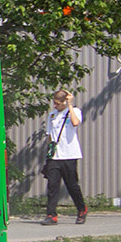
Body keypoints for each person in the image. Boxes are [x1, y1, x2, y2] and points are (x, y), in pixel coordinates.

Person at [43, 89, 87, 225]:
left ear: (64, 102)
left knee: (72, 185)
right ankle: (51, 215)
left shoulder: (74, 111)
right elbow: (49, 135)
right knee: (52, 186)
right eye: (54, 103)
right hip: (55, 156)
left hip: (69, 155)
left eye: (57, 103)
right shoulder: (52, 115)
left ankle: (81, 209)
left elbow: (75, 123)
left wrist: (70, 105)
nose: (55, 106)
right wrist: (48, 153)